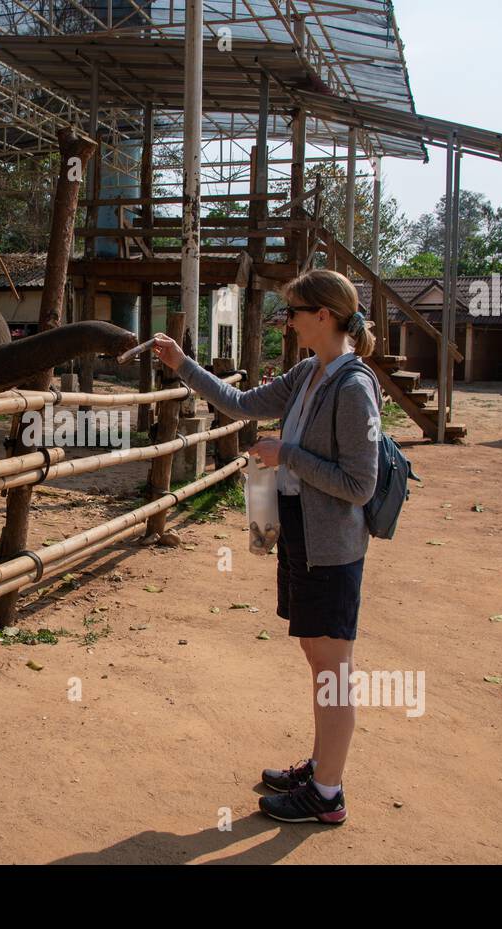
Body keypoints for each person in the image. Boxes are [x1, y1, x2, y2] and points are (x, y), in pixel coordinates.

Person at [150, 269, 382, 825]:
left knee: (332, 668)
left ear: (323, 316)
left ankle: (327, 794)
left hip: (331, 545)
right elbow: (241, 403)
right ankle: (323, 765)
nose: (287, 322)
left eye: (294, 312)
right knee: (315, 655)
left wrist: (288, 456)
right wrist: (183, 364)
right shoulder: (309, 373)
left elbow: (360, 484)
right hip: (301, 532)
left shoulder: (352, 387)